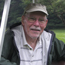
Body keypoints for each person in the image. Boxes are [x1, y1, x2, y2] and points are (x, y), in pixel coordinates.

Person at [0, 3, 65, 65]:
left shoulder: (49, 38)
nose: (36, 24)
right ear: (23, 20)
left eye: (41, 20)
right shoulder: (11, 37)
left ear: (46, 23)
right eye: (32, 19)